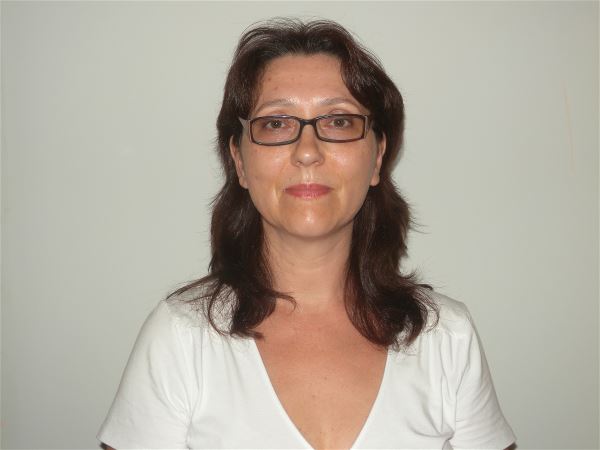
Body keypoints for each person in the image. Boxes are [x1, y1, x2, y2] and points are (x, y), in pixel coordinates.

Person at [97, 18, 516, 450]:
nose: (308, 152)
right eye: (276, 123)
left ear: (377, 157)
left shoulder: (446, 337)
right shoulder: (181, 338)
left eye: (339, 121)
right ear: (239, 161)